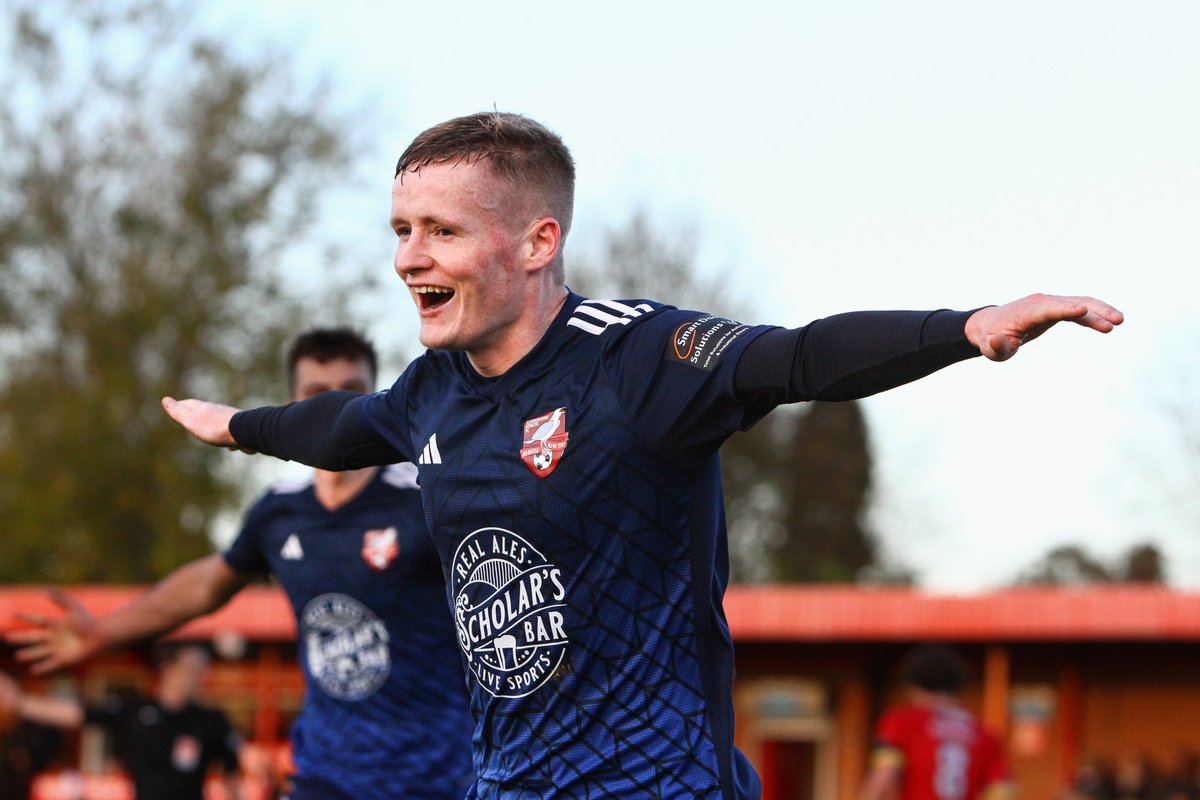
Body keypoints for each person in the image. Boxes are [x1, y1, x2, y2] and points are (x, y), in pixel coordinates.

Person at [157, 112, 1124, 799]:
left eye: (442, 231)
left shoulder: (638, 358)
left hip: (657, 782)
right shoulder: (431, 390)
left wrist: (967, 327)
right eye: (403, 231)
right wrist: (239, 426)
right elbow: (341, 426)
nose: (410, 257)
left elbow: (794, 357)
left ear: (539, 242)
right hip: (502, 784)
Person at [7, 329, 474, 800]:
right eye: (315, 397)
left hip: (436, 777)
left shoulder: (427, 497)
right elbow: (207, 584)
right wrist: (103, 632)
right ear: (291, 408)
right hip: (324, 777)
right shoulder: (278, 512)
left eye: (351, 395)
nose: (333, 413)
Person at [0, 643, 241, 800]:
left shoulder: (212, 720)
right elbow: (76, 714)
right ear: (169, 669)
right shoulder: (135, 711)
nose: (202, 677)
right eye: (195, 669)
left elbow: (232, 778)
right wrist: (20, 702)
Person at [859, 645, 1014, 800]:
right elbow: (1001, 791)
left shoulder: (903, 722)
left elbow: (884, 776)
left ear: (913, 685)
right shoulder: (985, 735)